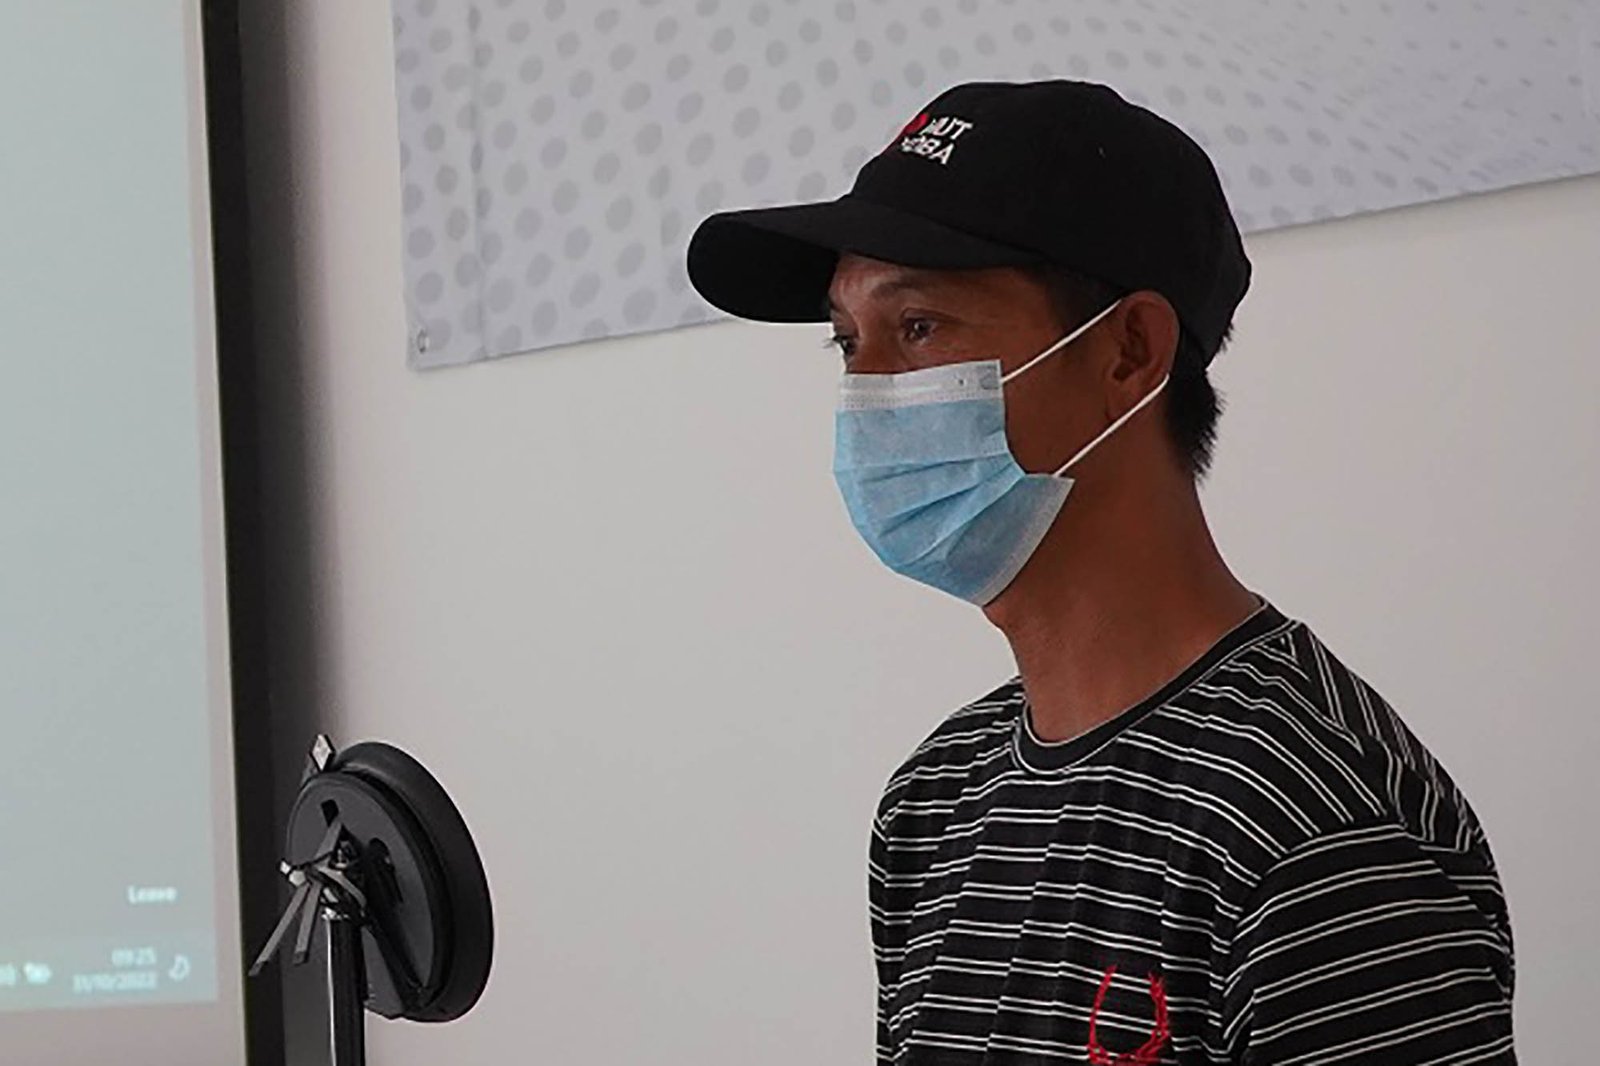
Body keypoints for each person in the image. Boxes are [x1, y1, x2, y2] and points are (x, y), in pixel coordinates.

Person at [687, 80, 1514, 1064]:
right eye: (847, 340)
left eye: (918, 328)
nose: (865, 393)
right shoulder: (934, 802)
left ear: (1128, 351)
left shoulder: (1311, 822)